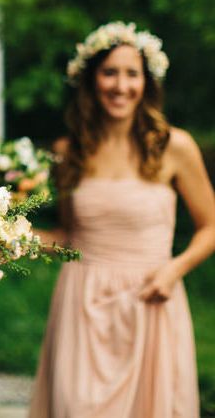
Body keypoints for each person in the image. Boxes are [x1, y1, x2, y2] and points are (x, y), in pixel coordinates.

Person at [29, 21, 215, 417]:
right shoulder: (68, 150)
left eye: (132, 74)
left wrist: (173, 270)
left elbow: (211, 227)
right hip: (83, 300)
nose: (120, 85)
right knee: (75, 404)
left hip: (151, 299)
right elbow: (69, 235)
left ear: (147, 83)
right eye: (109, 72)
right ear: (91, 79)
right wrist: (4, 231)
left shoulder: (174, 147)